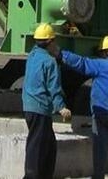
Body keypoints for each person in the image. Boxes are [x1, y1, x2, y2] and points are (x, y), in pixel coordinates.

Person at [56, 35, 108, 179]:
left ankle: (99, 176)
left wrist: (62, 54)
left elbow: (81, 63)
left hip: (101, 113)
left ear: (104, 52)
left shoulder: (100, 65)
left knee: (100, 149)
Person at [22, 23, 71, 179]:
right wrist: (61, 107)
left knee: (48, 146)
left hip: (29, 107)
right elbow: (53, 87)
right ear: (50, 42)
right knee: (37, 148)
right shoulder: (49, 62)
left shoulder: (32, 56)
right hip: (40, 108)